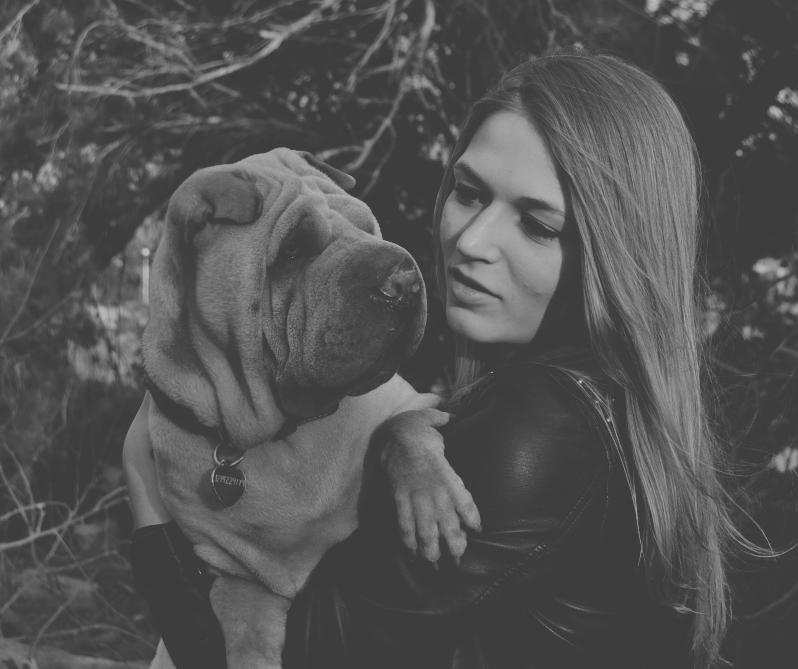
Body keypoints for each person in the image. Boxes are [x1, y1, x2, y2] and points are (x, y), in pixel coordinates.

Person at [124, 47, 740, 668]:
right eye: (468, 193)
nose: (472, 241)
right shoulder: (600, 414)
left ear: (614, 257)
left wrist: (147, 501)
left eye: (538, 225)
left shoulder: (535, 433)